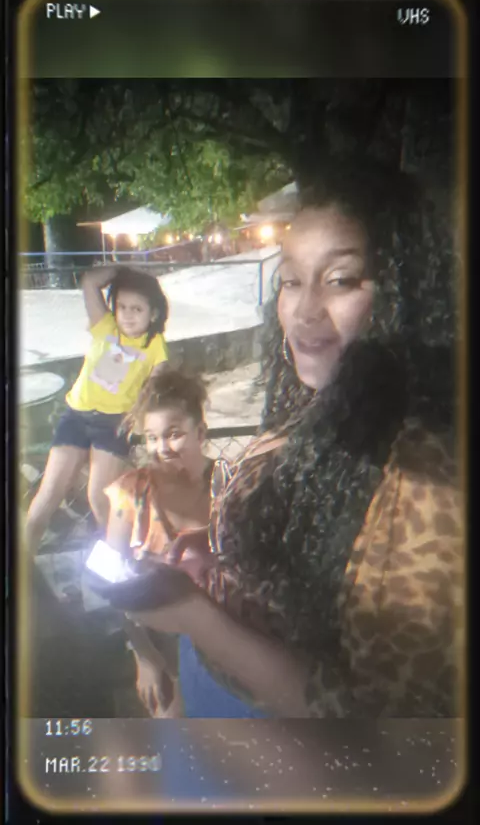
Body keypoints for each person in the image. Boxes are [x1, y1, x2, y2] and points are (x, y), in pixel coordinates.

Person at [125, 163, 464, 719]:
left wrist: (195, 617)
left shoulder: (428, 477)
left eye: (340, 280)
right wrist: (219, 553)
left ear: (404, 293)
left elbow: (371, 722)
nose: (304, 311)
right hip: (211, 691)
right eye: (290, 281)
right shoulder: (319, 398)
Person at [26, 266, 169, 548]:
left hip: (112, 424)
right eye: (122, 307)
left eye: (137, 309)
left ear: (153, 314)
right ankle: (22, 560)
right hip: (76, 416)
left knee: (99, 499)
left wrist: (140, 419)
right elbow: (90, 281)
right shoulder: (105, 326)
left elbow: (155, 388)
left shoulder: (155, 345)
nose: (127, 315)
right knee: (48, 494)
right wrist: (124, 272)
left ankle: (118, 559)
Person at [103, 368, 215, 718]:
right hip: (160, 647)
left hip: (225, 641)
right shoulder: (130, 494)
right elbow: (111, 581)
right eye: (152, 438)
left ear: (200, 432)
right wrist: (145, 658)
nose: (161, 448)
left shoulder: (229, 484)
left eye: (173, 434)